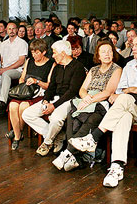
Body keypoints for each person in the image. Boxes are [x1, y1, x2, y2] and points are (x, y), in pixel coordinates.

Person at [69, 34, 137, 188]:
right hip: (128, 108)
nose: (132, 48)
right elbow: (119, 90)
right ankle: (117, 166)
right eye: (132, 45)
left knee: (124, 99)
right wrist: (132, 90)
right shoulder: (129, 66)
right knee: (123, 117)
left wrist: (129, 90)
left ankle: (94, 137)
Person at [52, 40, 122, 171]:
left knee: (91, 118)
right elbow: (82, 89)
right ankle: (75, 158)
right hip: (87, 99)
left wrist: (90, 100)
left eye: (110, 51)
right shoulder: (93, 69)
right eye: (103, 52)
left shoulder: (117, 69)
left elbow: (108, 92)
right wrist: (85, 98)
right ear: (98, 55)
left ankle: (67, 153)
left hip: (101, 102)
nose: (107, 54)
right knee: (72, 115)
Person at [24, 40, 87, 156]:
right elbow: (51, 86)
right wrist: (46, 100)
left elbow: (72, 91)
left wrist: (54, 106)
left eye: (54, 53)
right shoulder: (57, 67)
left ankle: (47, 142)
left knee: (56, 118)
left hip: (69, 100)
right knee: (27, 114)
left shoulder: (78, 67)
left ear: (63, 53)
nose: (52, 56)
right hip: (53, 98)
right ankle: (57, 135)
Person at [6, 38, 54, 150]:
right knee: (13, 105)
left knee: (23, 106)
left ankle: (17, 134)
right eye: (32, 52)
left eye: (37, 52)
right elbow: (22, 78)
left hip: (39, 92)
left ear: (44, 52)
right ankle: (18, 134)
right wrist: (24, 83)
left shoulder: (51, 63)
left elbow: (49, 85)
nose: (34, 55)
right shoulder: (29, 61)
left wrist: (36, 81)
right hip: (26, 91)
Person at [0, 22, 29, 114]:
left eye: (13, 29)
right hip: (5, 69)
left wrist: (6, 69)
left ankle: (2, 103)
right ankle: (3, 100)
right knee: (0, 76)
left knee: (5, 74)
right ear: (6, 30)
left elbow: (21, 61)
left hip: (18, 70)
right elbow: (0, 59)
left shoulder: (22, 43)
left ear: (17, 30)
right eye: (9, 29)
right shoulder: (4, 43)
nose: (11, 31)